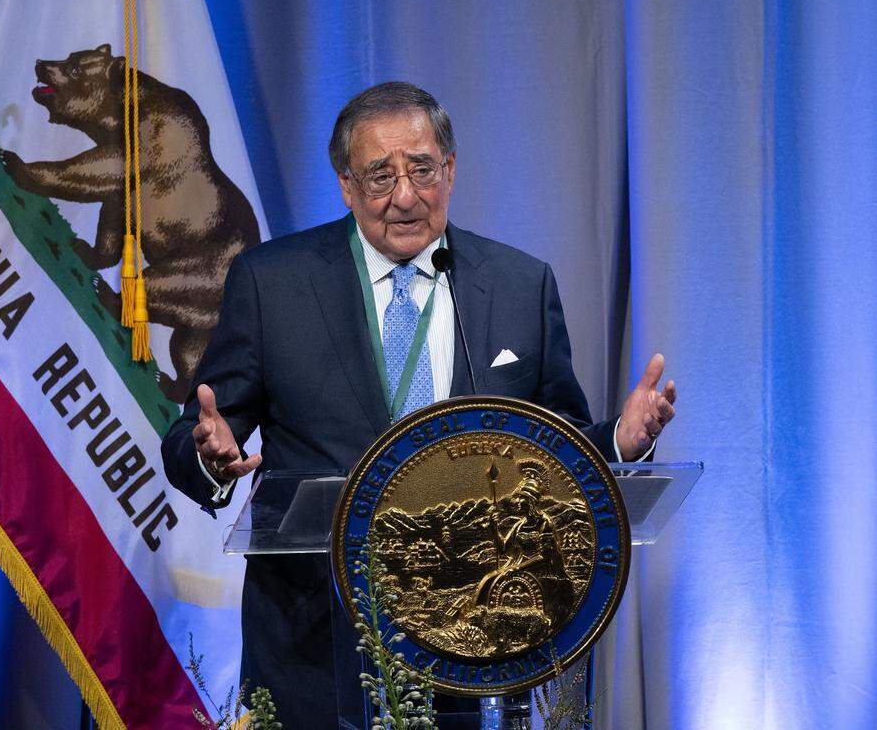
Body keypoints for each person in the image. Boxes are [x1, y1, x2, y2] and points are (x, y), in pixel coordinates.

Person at [161, 82, 677, 726]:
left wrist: (621, 441)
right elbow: (196, 434)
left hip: (471, 648)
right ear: (346, 186)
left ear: (450, 170)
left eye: (423, 170)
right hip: (314, 648)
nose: (405, 197)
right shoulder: (273, 283)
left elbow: (554, 446)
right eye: (380, 176)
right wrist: (209, 455)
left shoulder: (518, 285)